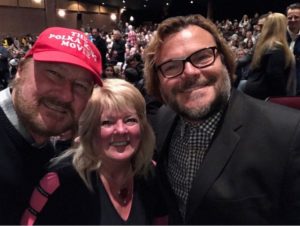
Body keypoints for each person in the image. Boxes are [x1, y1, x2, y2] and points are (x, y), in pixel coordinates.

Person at [143, 14, 300, 224]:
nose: (190, 72)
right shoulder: (163, 120)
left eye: (202, 57)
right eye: (171, 66)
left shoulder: (289, 133)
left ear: (224, 61)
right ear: (158, 80)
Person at [21, 79, 166, 225]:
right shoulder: (58, 183)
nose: (121, 130)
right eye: (107, 122)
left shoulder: (150, 173)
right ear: (89, 131)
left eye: (130, 120)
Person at [0, 26, 102, 224]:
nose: (65, 95)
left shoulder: (48, 148)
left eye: (81, 86)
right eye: (54, 74)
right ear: (20, 69)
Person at [244, 12, 296, 99]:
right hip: (265, 96)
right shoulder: (277, 48)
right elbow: (275, 77)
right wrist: (283, 98)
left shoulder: (262, 45)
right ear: (281, 27)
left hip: (253, 89)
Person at [287, 2, 300, 95]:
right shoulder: (279, 35)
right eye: (290, 17)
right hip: (280, 87)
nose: (293, 20)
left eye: (296, 17)